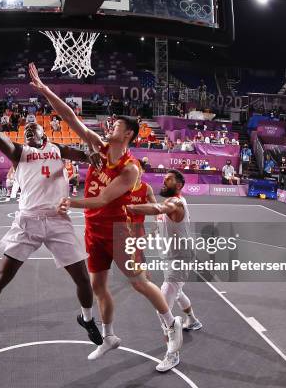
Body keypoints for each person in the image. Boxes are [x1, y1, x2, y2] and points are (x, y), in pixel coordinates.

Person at [28, 63, 183, 362]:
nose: (110, 126)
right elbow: (69, 117)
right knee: (98, 285)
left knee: (138, 282)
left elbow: (101, 200)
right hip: (94, 230)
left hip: (121, 230)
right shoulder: (98, 148)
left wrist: (69, 202)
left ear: (128, 136)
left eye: (117, 126)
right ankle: (109, 336)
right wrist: (46, 90)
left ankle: (170, 322)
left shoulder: (130, 169)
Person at [0, 78, 103, 347]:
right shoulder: (18, 152)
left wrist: (90, 156)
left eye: (32, 130)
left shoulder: (57, 149)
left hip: (58, 220)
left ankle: (87, 319)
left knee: (83, 279)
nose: (27, 133)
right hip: (28, 222)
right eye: (25, 131)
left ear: (44, 135)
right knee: (3, 277)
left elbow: (82, 154)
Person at [126, 170, 203, 371]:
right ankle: (193, 320)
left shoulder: (175, 203)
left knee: (162, 306)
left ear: (178, 186)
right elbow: (159, 224)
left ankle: (173, 354)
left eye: (168, 179)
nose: (164, 180)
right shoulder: (168, 208)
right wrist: (146, 238)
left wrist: (130, 207)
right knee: (178, 292)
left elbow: (158, 208)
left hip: (180, 259)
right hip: (171, 257)